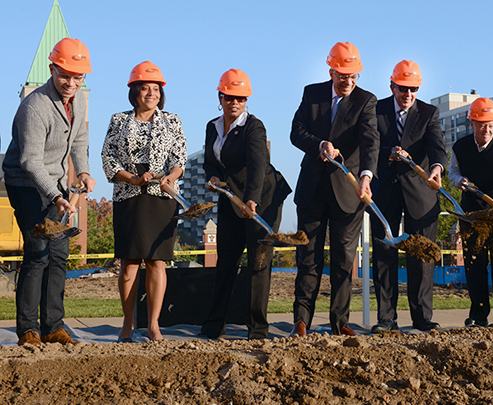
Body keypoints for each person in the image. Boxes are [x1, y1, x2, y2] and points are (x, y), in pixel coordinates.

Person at [2, 38, 96, 345]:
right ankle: (28, 329)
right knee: (38, 252)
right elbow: (30, 161)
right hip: (26, 182)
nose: (70, 82)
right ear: (52, 68)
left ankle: (53, 325)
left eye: (77, 77)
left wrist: (83, 171)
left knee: (59, 254)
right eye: (64, 75)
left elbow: (79, 139)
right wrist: (57, 197)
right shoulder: (35, 106)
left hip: (54, 182)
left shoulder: (79, 99)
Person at [290, 42, 379, 336]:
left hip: (348, 193)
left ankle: (340, 323)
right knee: (309, 258)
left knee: (344, 260)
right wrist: (319, 145)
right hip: (312, 190)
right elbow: (296, 132)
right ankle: (301, 321)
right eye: (343, 76)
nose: (348, 82)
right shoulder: (312, 94)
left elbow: (370, 141)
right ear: (331, 71)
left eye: (354, 77)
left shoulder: (366, 101)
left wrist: (366, 176)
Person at [200, 69, 291, 340]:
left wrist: (252, 200)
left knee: (258, 264)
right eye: (229, 97)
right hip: (231, 199)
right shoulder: (212, 127)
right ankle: (214, 325)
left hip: (263, 198)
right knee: (226, 262)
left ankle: (258, 329)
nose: (235, 102)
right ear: (220, 97)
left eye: (240, 98)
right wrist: (211, 177)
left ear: (246, 99)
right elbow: (209, 162)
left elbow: (258, 166)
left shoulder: (254, 126)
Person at [101, 61, 187, 342]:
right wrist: (132, 179)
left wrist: (170, 177)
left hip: (161, 198)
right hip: (129, 196)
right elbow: (108, 157)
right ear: (134, 91)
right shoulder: (118, 120)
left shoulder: (172, 120)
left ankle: (153, 325)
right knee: (129, 264)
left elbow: (179, 159)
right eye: (145, 88)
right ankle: (127, 324)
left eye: (156, 89)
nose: (151, 93)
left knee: (157, 263)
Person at [370, 60, 447, 333]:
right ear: (392, 86)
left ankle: (422, 318)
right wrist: (389, 151)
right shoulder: (375, 110)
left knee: (422, 258)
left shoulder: (429, 113)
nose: (408, 95)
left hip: (421, 194)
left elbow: (437, 147)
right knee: (384, 256)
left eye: (413, 89)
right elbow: (368, 145)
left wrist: (436, 169)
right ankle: (386, 319)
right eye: (403, 89)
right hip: (385, 193)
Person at [449, 97, 493, 328]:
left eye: (491, 125)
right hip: (471, 215)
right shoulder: (460, 147)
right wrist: (460, 180)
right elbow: (452, 172)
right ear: (472, 124)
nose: (487, 130)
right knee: (474, 264)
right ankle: (478, 315)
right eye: (482, 125)